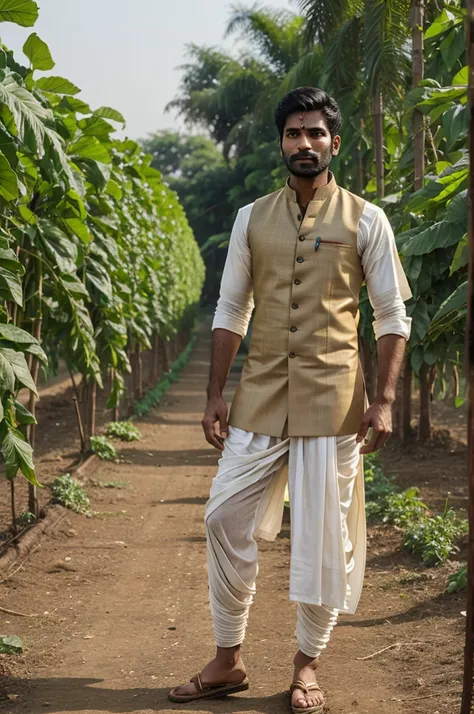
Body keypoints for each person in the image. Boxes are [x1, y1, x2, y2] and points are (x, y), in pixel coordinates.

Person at [169, 87, 412, 714]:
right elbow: (231, 308)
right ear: (281, 142)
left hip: (335, 402)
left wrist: (382, 400)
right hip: (259, 395)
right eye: (293, 134)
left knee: (326, 539)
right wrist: (215, 392)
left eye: (316, 134)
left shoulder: (367, 220)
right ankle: (228, 660)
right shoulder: (251, 217)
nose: (304, 144)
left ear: (335, 143)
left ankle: (306, 669)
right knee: (222, 518)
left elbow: (391, 316)